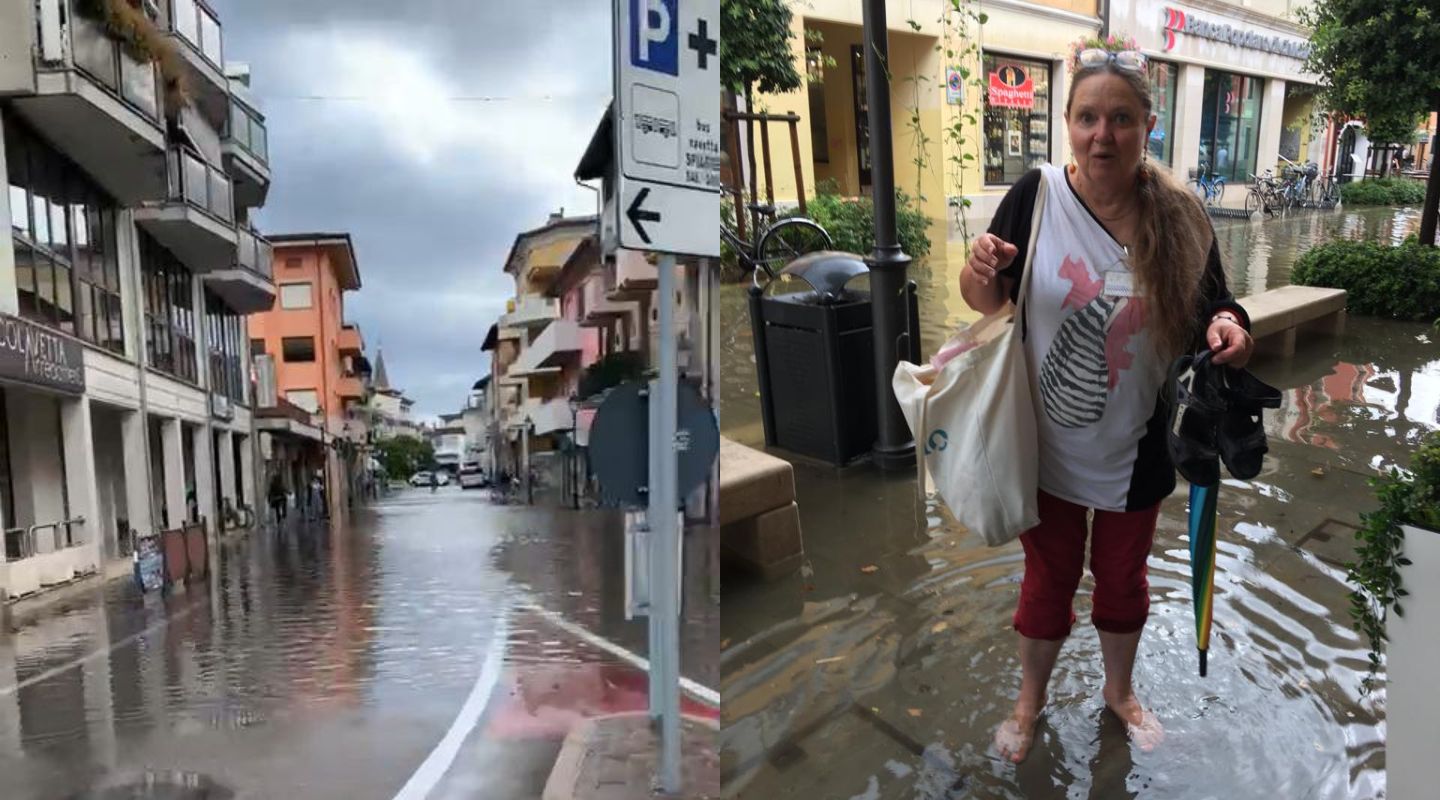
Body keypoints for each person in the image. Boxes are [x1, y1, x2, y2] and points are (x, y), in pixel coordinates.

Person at [961, 46, 1255, 764]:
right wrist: (978, 273)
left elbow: (1219, 303)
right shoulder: (1032, 197)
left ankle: (1119, 694)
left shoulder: (1181, 215)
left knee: (1123, 580)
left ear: (1146, 125)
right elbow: (986, 304)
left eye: (1120, 118)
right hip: (1043, 444)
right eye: (1088, 117)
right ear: (1067, 123)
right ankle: (1028, 702)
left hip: (1138, 446)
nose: (1103, 134)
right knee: (1048, 579)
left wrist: (1230, 329)